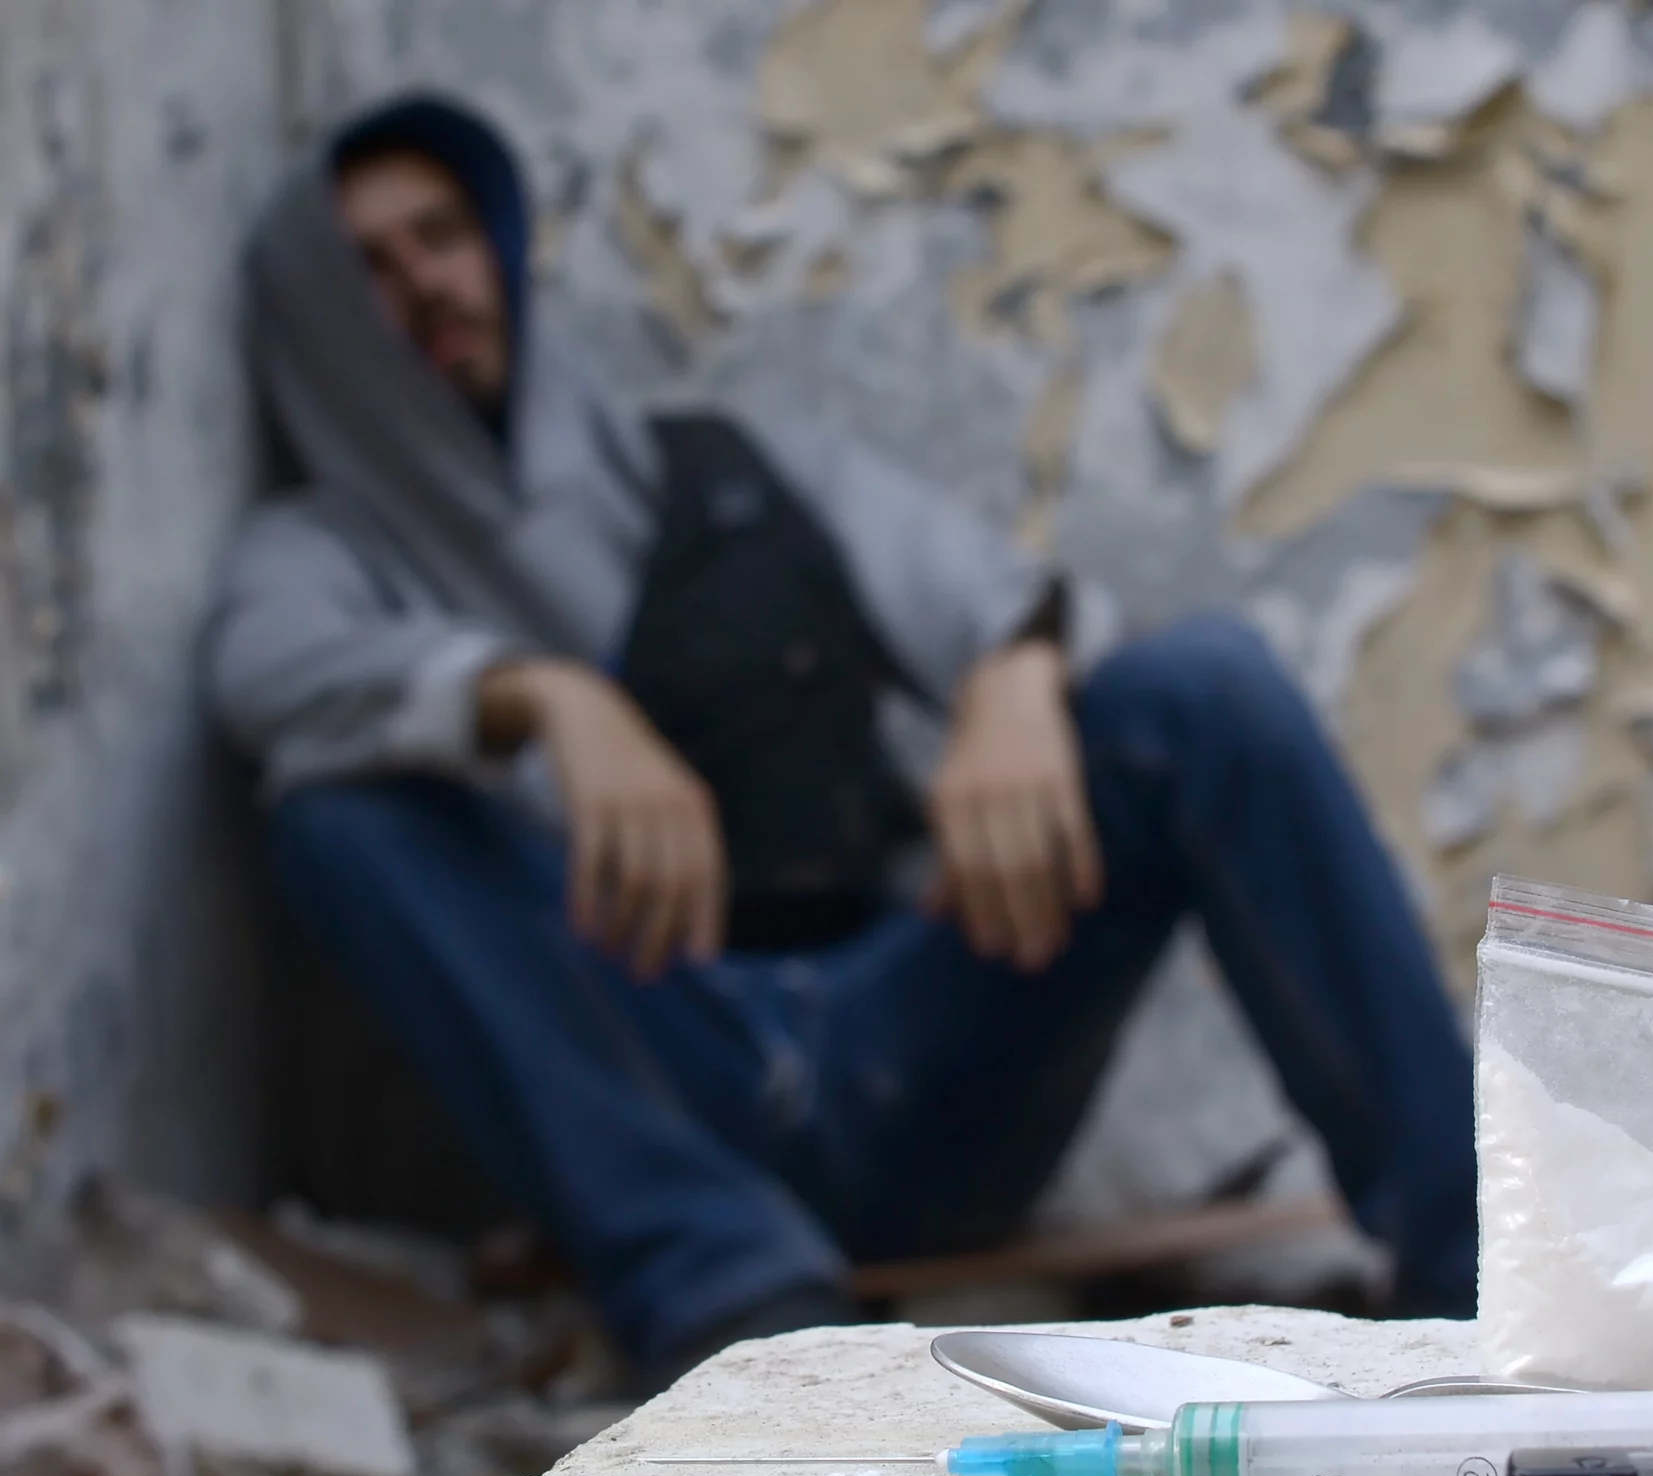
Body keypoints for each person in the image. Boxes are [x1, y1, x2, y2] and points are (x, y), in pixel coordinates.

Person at [202, 94, 1477, 1389]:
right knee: (335, 813)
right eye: (374, 263)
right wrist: (539, 696)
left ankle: (1473, 1272)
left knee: (1204, 685)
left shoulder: (732, 470)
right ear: (318, 314)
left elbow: (997, 596)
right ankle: (736, 1303)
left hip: (911, 1041)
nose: (429, 282)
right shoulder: (323, 557)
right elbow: (259, 677)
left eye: (445, 235)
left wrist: (1014, 681)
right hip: (665, 1068)